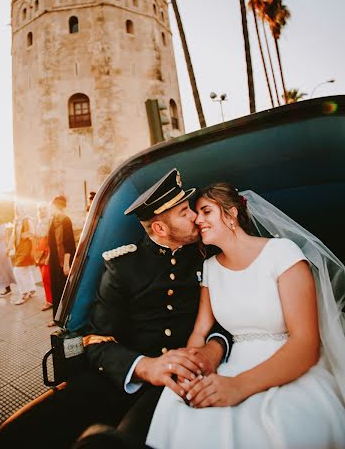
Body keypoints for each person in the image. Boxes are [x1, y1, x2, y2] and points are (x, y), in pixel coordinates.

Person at [0, 169, 231, 449]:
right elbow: (97, 339)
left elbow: (233, 317)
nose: (194, 216)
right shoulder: (122, 266)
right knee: (15, 437)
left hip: (188, 376)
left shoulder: (209, 256)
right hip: (125, 373)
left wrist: (213, 350)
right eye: (183, 212)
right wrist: (144, 366)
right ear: (160, 229)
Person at [145, 182, 345, 449]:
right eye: (195, 213)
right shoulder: (210, 268)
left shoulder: (282, 253)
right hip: (232, 363)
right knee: (183, 409)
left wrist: (238, 386)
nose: (198, 220)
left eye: (206, 211)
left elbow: (306, 344)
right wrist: (190, 370)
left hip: (291, 366)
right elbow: (200, 332)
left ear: (231, 214)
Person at [47, 195, 76, 326]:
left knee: (64, 290)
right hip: (54, 260)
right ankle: (56, 318)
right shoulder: (53, 220)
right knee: (56, 289)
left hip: (64, 260)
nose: (50, 208)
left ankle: (67, 319)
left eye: (52, 205)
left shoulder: (66, 221)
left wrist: (66, 264)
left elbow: (69, 244)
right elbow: (52, 242)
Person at [9, 204, 36, 305]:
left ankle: (24, 294)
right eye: (18, 209)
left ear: (25, 210)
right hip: (19, 249)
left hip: (26, 249)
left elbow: (33, 233)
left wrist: (27, 234)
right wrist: (8, 248)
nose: (20, 211)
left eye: (22, 208)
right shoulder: (16, 221)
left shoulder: (28, 220)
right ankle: (32, 290)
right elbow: (13, 236)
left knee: (17, 271)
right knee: (25, 270)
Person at [33, 201, 53, 311]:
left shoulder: (50, 221)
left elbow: (51, 240)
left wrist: (49, 254)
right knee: (44, 278)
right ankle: (49, 300)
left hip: (47, 252)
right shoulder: (38, 221)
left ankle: (51, 300)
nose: (42, 211)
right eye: (40, 209)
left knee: (47, 277)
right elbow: (37, 237)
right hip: (40, 252)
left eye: (44, 208)